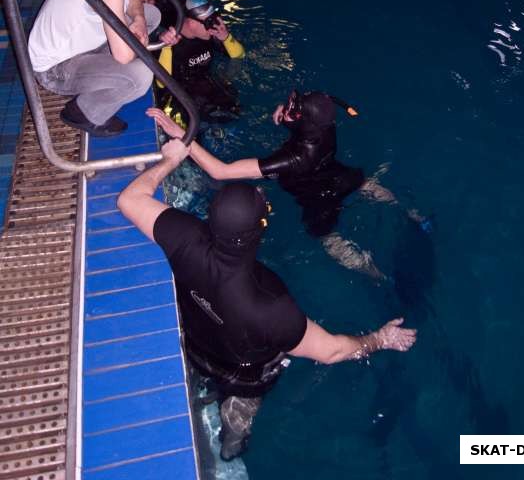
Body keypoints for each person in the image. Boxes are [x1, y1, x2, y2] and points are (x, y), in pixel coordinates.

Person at [117, 138, 417, 461]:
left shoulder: (183, 236)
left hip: (192, 345)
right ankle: (232, 441)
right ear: (259, 231)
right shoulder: (271, 305)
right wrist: (379, 339)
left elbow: (129, 199)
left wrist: (169, 161)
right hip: (242, 375)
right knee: (239, 416)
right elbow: (332, 351)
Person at [148, 90, 388, 278]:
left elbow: (220, 171)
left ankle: (375, 273)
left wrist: (182, 134)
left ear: (305, 123)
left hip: (316, 197)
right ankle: (413, 213)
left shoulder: (295, 158)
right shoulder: (326, 124)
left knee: (327, 238)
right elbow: (306, 116)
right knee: (366, 184)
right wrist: (286, 113)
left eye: (295, 111)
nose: (290, 109)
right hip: (336, 172)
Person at [28, 0, 179, 137]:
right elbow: (125, 56)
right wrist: (140, 40)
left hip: (77, 44)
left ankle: (105, 71)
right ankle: (83, 112)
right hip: (55, 68)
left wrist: (138, 20)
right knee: (141, 75)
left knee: (150, 14)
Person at [157, 0, 245, 126]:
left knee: (235, 112)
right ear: (191, 23)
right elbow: (161, 84)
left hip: (204, 83)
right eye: (208, 22)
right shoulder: (168, 41)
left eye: (214, 19)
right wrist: (166, 47)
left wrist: (226, 37)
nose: (213, 27)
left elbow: (239, 56)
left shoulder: (209, 34)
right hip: (178, 93)